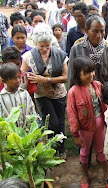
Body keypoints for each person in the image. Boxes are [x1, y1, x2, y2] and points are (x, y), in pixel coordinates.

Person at [21, 23, 68, 159]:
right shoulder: (28, 56)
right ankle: (51, 147)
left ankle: (62, 148)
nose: (45, 49)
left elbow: (65, 77)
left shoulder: (60, 55)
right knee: (50, 122)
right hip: (41, 94)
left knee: (60, 121)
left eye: (47, 45)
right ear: (35, 43)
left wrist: (45, 80)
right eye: (41, 46)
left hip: (59, 93)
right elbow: (23, 75)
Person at [67, 56, 108, 188]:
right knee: (84, 151)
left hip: (100, 123)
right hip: (84, 128)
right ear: (77, 74)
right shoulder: (73, 92)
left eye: (92, 71)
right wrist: (75, 134)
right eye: (86, 72)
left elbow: (106, 104)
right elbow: (72, 114)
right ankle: (85, 174)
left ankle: (106, 172)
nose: (91, 75)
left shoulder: (98, 85)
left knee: (102, 149)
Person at [68, 15, 108, 86]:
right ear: (86, 31)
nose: (99, 35)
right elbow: (71, 76)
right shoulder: (77, 49)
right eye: (95, 31)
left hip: (104, 95)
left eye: (102, 31)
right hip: (82, 95)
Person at [0, 63, 36, 128]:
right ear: (4, 81)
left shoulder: (24, 94)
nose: (18, 80)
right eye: (14, 78)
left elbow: (32, 111)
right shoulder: (1, 97)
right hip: (9, 133)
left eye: (19, 77)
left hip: (26, 132)